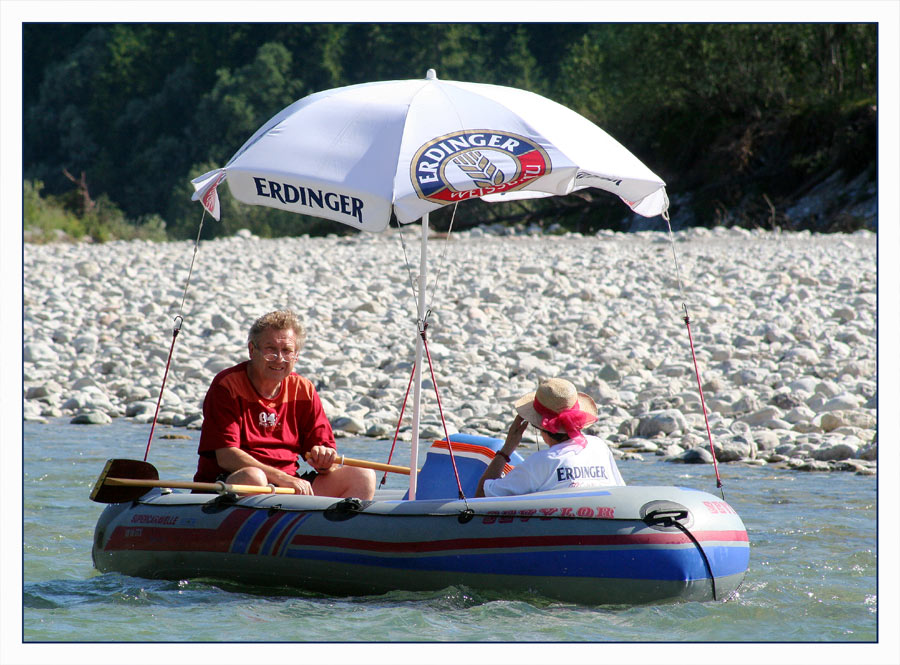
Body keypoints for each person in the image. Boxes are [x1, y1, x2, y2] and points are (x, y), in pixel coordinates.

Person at [194, 310, 375, 500]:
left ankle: (337, 528)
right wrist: (282, 478)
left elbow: (326, 460)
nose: (279, 358)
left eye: (287, 351)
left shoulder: (303, 389)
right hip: (235, 482)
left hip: (287, 487)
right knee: (254, 477)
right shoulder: (227, 385)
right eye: (270, 349)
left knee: (363, 475)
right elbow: (226, 455)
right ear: (252, 350)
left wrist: (324, 458)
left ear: (296, 356)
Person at [476, 378, 625, 497]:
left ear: (539, 425)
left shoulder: (540, 462)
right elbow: (621, 490)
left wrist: (507, 449)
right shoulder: (598, 446)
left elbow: (481, 497)